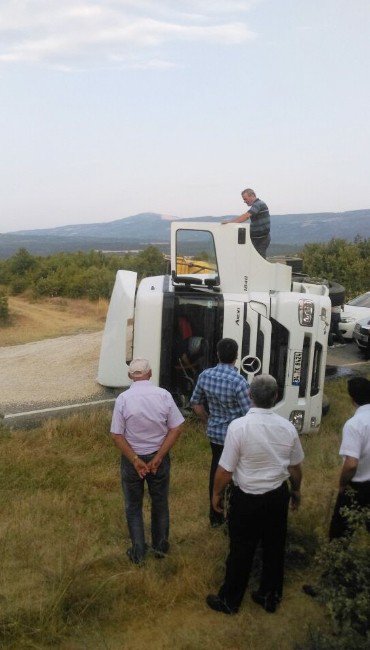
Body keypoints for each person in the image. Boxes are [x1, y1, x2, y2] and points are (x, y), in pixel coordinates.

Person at [206, 374, 304, 615]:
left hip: (246, 498)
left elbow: (225, 468)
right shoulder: (288, 427)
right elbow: (295, 468)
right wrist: (296, 490)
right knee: (274, 546)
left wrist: (216, 493)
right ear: (276, 397)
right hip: (277, 496)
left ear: (250, 395)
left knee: (241, 548)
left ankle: (230, 600)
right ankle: (269, 596)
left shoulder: (238, 427)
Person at [111, 358, 184, 564]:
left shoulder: (123, 399)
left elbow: (117, 435)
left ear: (129, 376)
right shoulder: (163, 395)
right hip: (157, 457)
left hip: (132, 459)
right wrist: (159, 457)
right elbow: (176, 427)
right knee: (159, 502)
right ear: (150, 374)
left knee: (133, 506)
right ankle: (160, 548)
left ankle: (138, 551)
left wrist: (135, 460)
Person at [190, 338, 250, 527]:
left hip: (214, 434)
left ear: (217, 354)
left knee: (216, 470)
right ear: (236, 356)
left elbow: (195, 403)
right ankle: (231, 516)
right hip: (234, 437)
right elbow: (249, 412)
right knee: (234, 475)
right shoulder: (239, 381)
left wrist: (207, 420)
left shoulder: (205, 375)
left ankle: (215, 517)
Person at [329, 376, 370, 540]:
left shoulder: (355, 424)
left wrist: (342, 485)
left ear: (352, 399)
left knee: (340, 533)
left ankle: (337, 563)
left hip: (358, 487)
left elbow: (351, 464)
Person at [222, 188, 271, 258]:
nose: (244, 201)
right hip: (257, 239)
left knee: (258, 260)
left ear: (252, 196)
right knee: (253, 259)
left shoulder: (258, 204)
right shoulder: (258, 204)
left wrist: (230, 223)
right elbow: (246, 215)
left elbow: (246, 216)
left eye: (245, 199)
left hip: (261, 240)